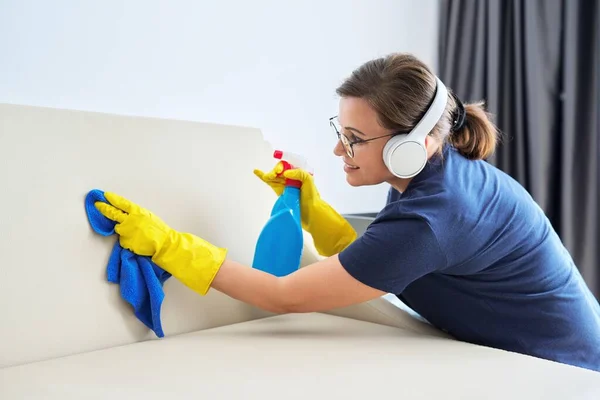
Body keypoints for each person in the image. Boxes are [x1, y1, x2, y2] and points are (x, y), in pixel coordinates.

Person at [95, 52, 600, 372]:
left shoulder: (433, 216)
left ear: (410, 146)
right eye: (343, 132)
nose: (340, 152)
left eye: (355, 140)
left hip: (557, 370)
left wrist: (168, 243)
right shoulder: (430, 173)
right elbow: (378, 258)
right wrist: (314, 210)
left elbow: (282, 296)